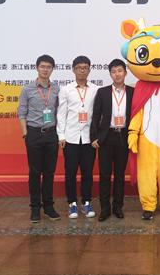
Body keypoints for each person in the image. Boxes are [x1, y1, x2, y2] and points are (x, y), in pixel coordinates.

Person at [18, 54, 61, 223]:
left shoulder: (56, 89)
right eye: (42, 66)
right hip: (34, 134)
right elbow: (22, 113)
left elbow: (60, 111)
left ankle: (49, 207)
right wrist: (26, 134)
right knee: (35, 173)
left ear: (52, 69)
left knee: (49, 172)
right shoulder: (27, 89)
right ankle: (35, 208)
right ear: (37, 68)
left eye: (48, 67)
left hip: (51, 134)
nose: (45, 70)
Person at [90, 59, 134, 221]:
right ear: (110, 74)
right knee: (104, 174)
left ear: (125, 73)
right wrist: (94, 136)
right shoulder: (102, 92)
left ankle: (117, 207)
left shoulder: (132, 92)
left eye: (120, 71)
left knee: (120, 175)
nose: (117, 74)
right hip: (106, 137)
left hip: (124, 136)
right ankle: (105, 208)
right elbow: (95, 115)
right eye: (113, 71)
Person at [57, 56, 100, 219]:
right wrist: (61, 135)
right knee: (70, 172)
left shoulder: (96, 89)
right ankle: (72, 204)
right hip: (71, 138)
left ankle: (86, 202)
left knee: (88, 173)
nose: (82, 70)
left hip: (89, 139)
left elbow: (98, 115)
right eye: (79, 67)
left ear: (89, 70)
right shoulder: (66, 89)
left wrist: (97, 136)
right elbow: (61, 114)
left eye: (85, 67)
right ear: (73, 69)